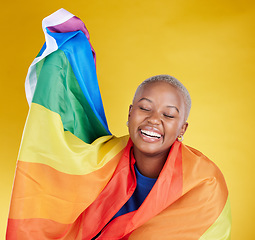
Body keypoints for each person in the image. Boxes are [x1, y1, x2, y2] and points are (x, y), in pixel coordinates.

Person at [6, 9, 231, 240]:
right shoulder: (99, 161)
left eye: (169, 115)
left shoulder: (204, 183)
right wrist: (66, 54)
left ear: (182, 129)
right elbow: (59, 142)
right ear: (130, 114)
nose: (154, 120)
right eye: (144, 108)